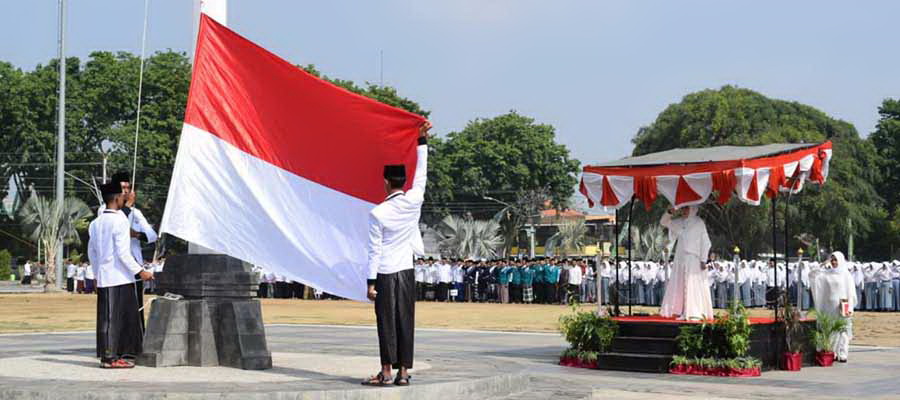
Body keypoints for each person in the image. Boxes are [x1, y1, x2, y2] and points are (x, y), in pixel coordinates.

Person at [363, 121, 430, 387]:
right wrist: (422, 141)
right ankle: (403, 373)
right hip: (406, 269)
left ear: (386, 182)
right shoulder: (414, 200)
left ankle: (386, 372)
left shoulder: (378, 213)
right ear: (403, 182)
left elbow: (374, 249)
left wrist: (370, 283)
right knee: (405, 320)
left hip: (385, 271)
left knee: (386, 322)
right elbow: (422, 174)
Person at [89, 182, 154, 369]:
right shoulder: (120, 221)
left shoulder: (95, 223)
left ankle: (121, 354)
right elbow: (123, 253)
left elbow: (92, 252)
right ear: (117, 198)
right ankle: (109, 358)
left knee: (117, 318)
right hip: (118, 278)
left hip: (106, 277)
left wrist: (96, 275)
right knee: (113, 320)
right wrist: (141, 272)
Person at [659, 206, 713, 320]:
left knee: (692, 284)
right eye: (683, 208)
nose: (684, 211)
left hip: (693, 258)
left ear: (692, 209)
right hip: (680, 258)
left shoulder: (699, 223)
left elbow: (706, 242)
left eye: (686, 208)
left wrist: (703, 259)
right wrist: (669, 212)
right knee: (681, 284)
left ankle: (693, 311)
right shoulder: (679, 222)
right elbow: (664, 222)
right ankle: (681, 311)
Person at [810, 251, 856, 362]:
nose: (834, 262)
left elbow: (850, 292)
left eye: (836, 260)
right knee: (831, 330)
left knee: (842, 330)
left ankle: (843, 353)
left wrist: (850, 307)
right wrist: (822, 264)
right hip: (829, 307)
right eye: (832, 260)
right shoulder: (827, 274)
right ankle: (832, 352)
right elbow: (812, 275)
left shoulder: (846, 275)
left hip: (841, 306)